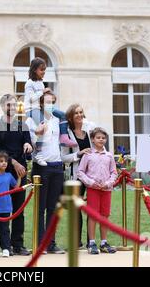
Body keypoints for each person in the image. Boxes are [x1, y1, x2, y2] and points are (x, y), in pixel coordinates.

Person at [0, 94, 33, 256]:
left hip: (20, 174)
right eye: (9, 105)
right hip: (2, 174)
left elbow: (28, 145)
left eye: (14, 105)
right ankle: (1, 246)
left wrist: (28, 145)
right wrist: (13, 162)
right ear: (2, 106)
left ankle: (17, 245)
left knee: (19, 210)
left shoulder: (23, 126)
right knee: (1, 210)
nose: (12, 108)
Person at [26, 90, 65, 254]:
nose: (50, 105)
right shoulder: (32, 119)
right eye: (48, 102)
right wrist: (37, 133)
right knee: (40, 207)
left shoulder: (57, 120)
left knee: (53, 207)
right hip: (41, 166)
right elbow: (30, 142)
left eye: (53, 101)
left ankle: (51, 242)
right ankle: (40, 242)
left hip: (57, 165)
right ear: (41, 103)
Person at [24, 57, 77, 167]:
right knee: (43, 126)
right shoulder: (29, 83)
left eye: (44, 70)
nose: (43, 72)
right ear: (34, 70)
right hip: (32, 109)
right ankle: (38, 153)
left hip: (41, 107)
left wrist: (48, 95)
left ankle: (64, 138)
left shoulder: (41, 83)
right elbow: (30, 99)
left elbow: (43, 97)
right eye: (41, 70)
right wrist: (42, 91)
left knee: (63, 115)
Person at [60, 104, 96, 248]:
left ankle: (91, 241)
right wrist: (78, 154)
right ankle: (76, 242)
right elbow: (63, 157)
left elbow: (101, 145)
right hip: (77, 175)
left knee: (92, 208)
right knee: (76, 209)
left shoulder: (90, 128)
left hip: (93, 174)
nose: (80, 115)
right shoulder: (67, 134)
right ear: (71, 117)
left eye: (81, 112)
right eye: (76, 113)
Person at [77, 127, 118, 255]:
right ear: (93, 140)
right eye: (98, 137)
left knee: (105, 215)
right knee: (93, 215)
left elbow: (114, 172)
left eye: (103, 138)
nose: (101, 140)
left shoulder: (109, 156)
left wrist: (108, 183)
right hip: (93, 189)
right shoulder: (88, 155)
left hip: (106, 189)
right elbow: (80, 172)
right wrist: (91, 182)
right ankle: (92, 243)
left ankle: (104, 242)